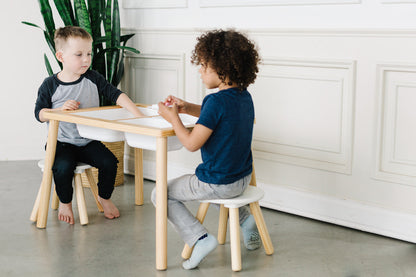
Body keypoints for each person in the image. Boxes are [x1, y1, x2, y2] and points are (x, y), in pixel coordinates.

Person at [152, 29, 261, 269]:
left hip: (219, 184)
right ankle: (245, 220)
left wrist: (173, 119)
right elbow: (219, 117)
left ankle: (199, 238)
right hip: (242, 179)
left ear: (223, 69)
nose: (200, 72)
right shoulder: (244, 97)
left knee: (159, 194)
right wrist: (186, 107)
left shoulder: (215, 102)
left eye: (203, 66)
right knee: (214, 190)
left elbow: (191, 144)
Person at [34, 26, 144, 224]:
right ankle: (66, 202)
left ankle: (104, 197)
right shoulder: (50, 85)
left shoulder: (93, 78)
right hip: (61, 142)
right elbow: (39, 114)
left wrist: (138, 115)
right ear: (61, 56)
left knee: (109, 162)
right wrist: (58, 111)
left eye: (88, 53)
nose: (86, 59)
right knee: (63, 167)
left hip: (87, 141)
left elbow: (116, 95)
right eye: (79, 54)